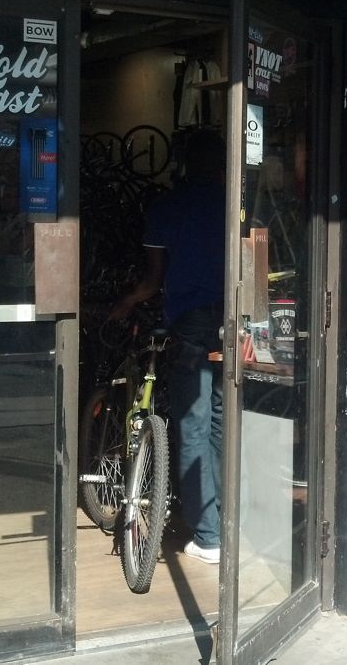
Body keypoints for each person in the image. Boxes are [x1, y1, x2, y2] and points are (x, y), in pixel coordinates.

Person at [111, 127, 226, 565]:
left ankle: (209, 537)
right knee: (221, 421)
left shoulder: (167, 207)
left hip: (191, 320)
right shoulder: (236, 203)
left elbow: (152, 281)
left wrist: (126, 302)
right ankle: (224, 522)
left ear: (184, 164)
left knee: (193, 423)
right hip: (232, 319)